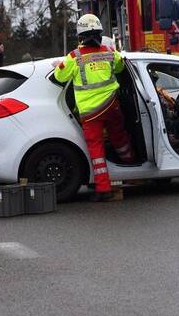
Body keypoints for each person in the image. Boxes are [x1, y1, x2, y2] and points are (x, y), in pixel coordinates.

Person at [54, 14, 134, 201]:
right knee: (120, 137)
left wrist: (59, 65)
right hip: (112, 106)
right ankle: (134, 169)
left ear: (80, 36)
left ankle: (103, 189)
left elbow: (59, 77)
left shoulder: (74, 57)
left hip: (91, 114)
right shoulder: (108, 51)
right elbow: (121, 68)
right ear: (99, 33)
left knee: (97, 151)